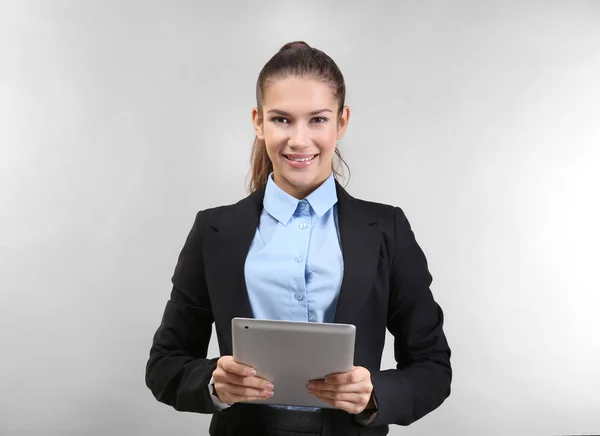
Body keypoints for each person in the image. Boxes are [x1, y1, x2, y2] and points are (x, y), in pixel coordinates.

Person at [145, 41, 452, 436]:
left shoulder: (386, 229)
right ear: (258, 122)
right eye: (282, 120)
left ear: (342, 122)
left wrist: (374, 393)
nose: (299, 140)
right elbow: (164, 364)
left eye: (318, 120)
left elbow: (432, 367)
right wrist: (214, 383)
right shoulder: (214, 231)